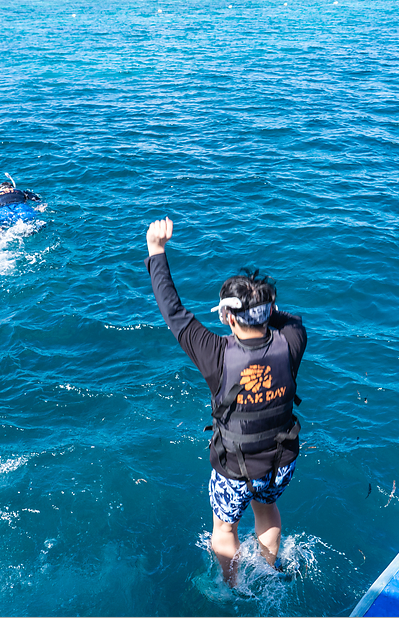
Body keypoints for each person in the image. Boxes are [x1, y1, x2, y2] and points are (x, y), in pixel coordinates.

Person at [145, 217, 307, 586]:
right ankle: (267, 568)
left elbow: (173, 311)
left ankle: (233, 586)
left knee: (225, 527)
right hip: (281, 459)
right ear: (268, 311)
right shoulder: (293, 338)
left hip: (235, 467)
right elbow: (288, 318)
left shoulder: (215, 354)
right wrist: (261, 305)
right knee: (267, 509)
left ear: (228, 318)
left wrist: (157, 250)